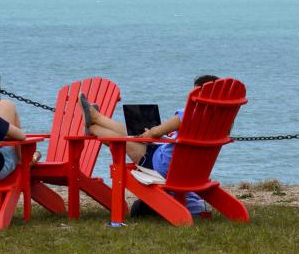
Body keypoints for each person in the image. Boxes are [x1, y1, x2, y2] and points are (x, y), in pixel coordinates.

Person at [79, 74, 220, 217]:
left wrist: (152, 133)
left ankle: (92, 128)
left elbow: (158, 131)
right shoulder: (221, 124)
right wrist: (158, 136)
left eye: (195, 93)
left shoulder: (188, 114)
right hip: (190, 168)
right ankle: (96, 118)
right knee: (135, 134)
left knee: (124, 140)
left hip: (163, 165)